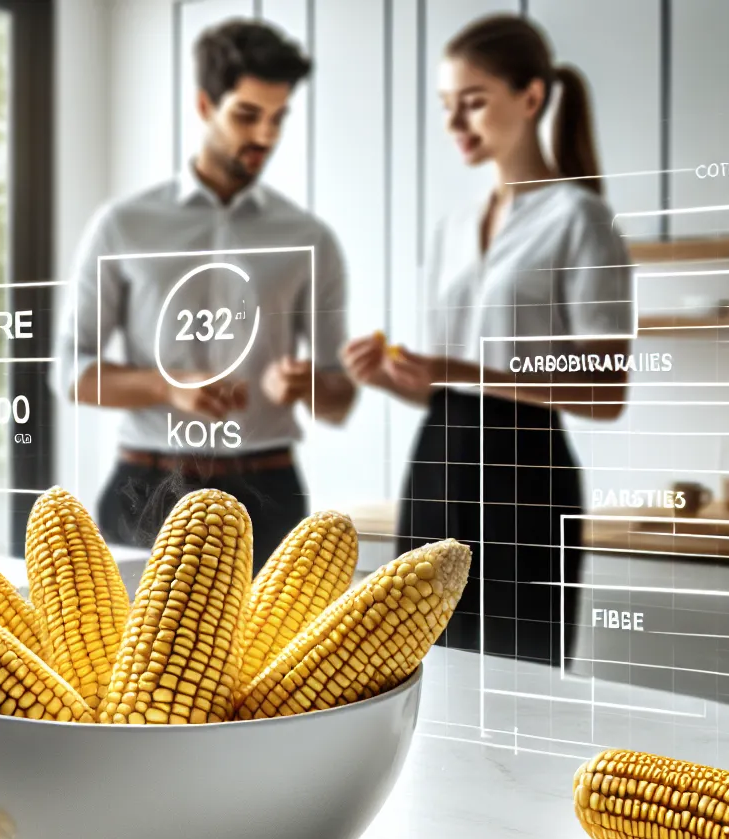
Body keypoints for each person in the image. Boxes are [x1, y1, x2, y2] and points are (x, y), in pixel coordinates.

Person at [341, 14, 632, 667]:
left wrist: (460, 368)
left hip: (522, 477)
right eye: (448, 107)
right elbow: (449, 384)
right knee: (416, 664)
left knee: (517, 674)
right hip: (437, 465)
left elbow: (607, 390)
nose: (456, 124)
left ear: (530, 98)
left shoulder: (579, 218)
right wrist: (398, 376)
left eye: (474, 103)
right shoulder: (454, 226)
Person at [56, 19, 353, 565]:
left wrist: (310, 381)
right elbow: (69, 370)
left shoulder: (308, 238)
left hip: (270, 496)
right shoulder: (123, 225)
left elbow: (339, 396)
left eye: (277, 118)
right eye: (247, 114)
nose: (265, 136)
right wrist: (165, 387)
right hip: (145, 493)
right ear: (203, 105)